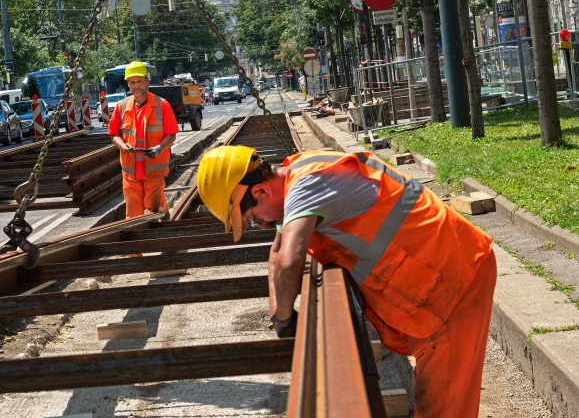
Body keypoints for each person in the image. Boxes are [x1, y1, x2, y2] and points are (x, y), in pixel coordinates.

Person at [197, 146, 495, 418]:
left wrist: (287, 318)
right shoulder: (297, 173)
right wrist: (279, 316)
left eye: (251, 218)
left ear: (261, 191)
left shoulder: (307, 187)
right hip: (430, 277)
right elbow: (276, 252)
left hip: (452, 280)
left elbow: (289, 263)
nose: (259, 225)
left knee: (443, 409)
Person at [108, 61, 179, 218]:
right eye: (132, 82)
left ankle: (164, 227)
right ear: (128, 84)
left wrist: (159, 148)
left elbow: (172, 134)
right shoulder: (121, 106)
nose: (136, 85)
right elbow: (114, 134)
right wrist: (122, 145)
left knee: (156, 210)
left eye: (139, 81)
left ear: (147, 81)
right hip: (130, 174)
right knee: (133, 216)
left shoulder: (162, 105)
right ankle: (137, 240)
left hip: (154, 172)